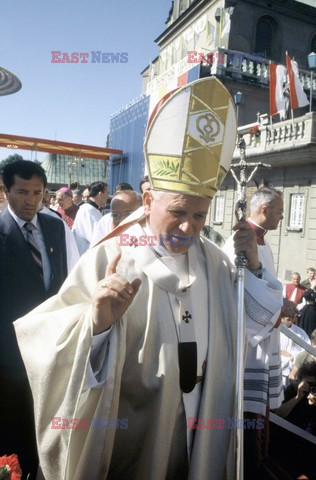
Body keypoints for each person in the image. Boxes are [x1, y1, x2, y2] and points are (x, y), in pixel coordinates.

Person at [14, 78, 283, 480]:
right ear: (149, 201)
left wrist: (254, 267)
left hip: (204, 415)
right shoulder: (111, 255)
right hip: (134, 427)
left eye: (199, 215)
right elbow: (46, 348)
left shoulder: (216, 262)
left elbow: (255, 324)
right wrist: (97, 323)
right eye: (177, 212)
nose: (188, 227)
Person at [0, 160, 68, 479]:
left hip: (50, 348)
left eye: (38, 193)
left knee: (47, 422)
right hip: (9, 355)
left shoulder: (54, 227)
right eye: (22, 192)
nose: (31, 200)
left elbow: (64, 282)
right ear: (7, 190)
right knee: (14, 427)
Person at [223, 187, 289, 476]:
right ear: (263, 210)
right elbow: (240, 294)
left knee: (256, 415)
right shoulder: (240, 241)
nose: (282, 216)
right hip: (247, 343)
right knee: (245, 419)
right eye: (279, 211)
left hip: (261, 339)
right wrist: (277, 308)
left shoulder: (262, 240)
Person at [72, 181, 108, 255]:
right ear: (100, 194)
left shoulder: (92, 209)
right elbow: (96, 237)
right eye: (107, 193)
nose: (108, 196)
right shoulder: (88, 210)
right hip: (85, 255)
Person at [280, 314, 310, 387]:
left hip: (295, 372)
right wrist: (279, 351)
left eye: (293, 315)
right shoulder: (274, 330)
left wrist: (293, 356)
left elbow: (307, 350)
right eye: (288, 316)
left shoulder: (300, 332)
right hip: (279, 373)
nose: (291, 318)